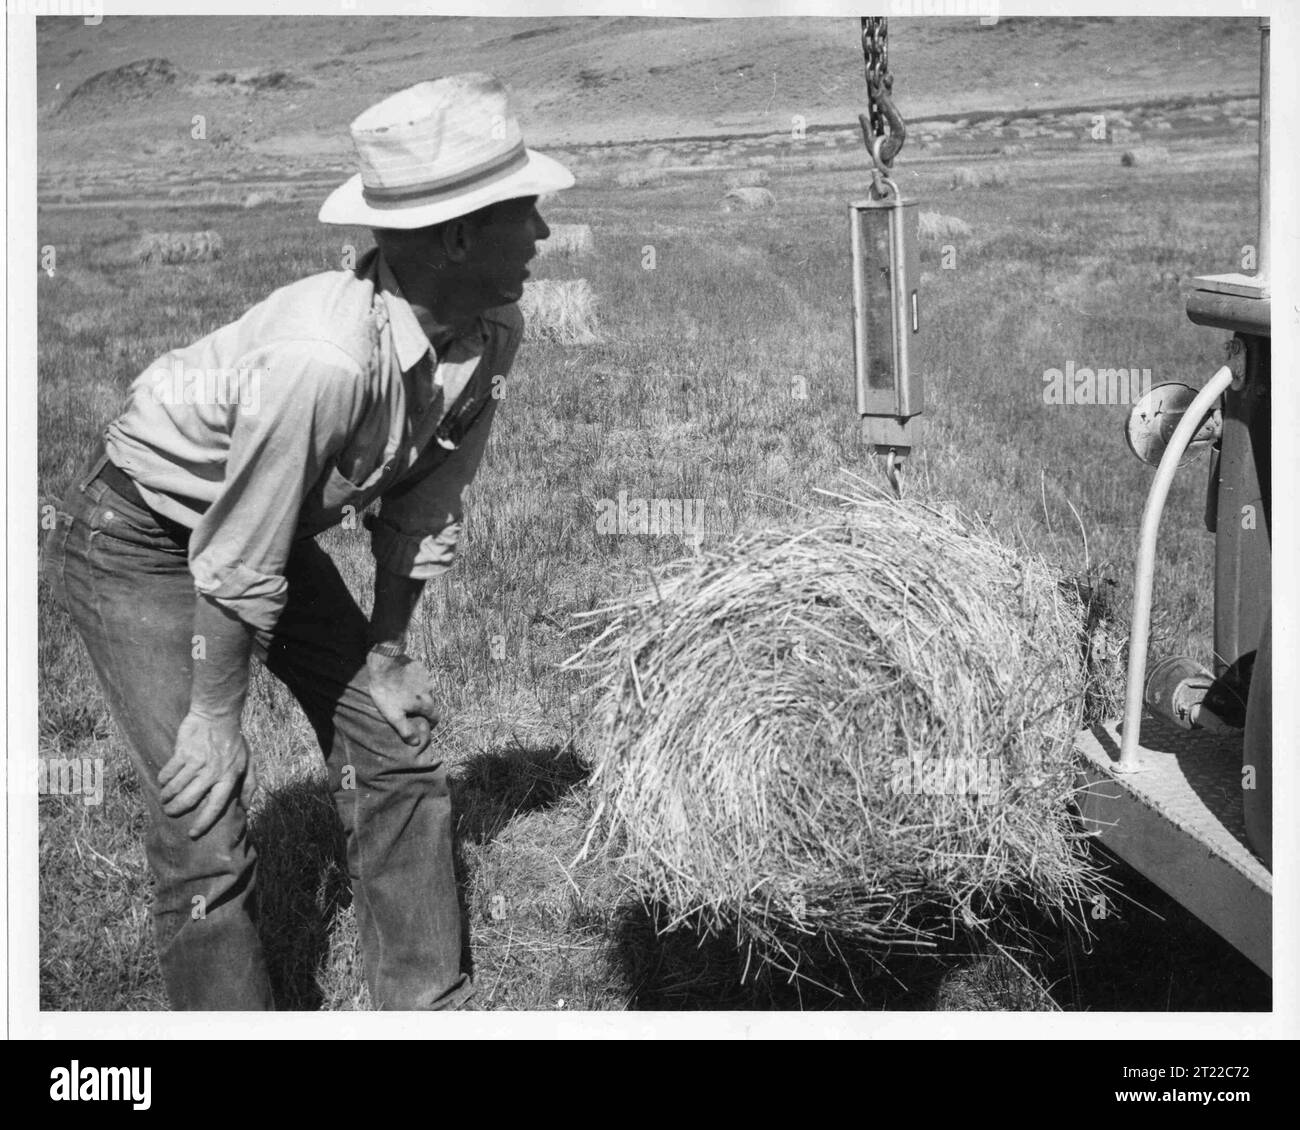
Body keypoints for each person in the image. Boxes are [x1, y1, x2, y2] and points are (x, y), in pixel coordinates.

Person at [42, 73, 572, 1010]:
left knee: (392, 740)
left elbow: (421, 509)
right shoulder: (322, 359)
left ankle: (423, 1006)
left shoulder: (492, 331)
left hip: (257, 530)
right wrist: (216, 718)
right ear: (456, 236)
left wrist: (390, 653)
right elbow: (236, 558)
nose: (542, 234)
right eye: (523, 212)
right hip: (140, 531)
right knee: (199, 813)